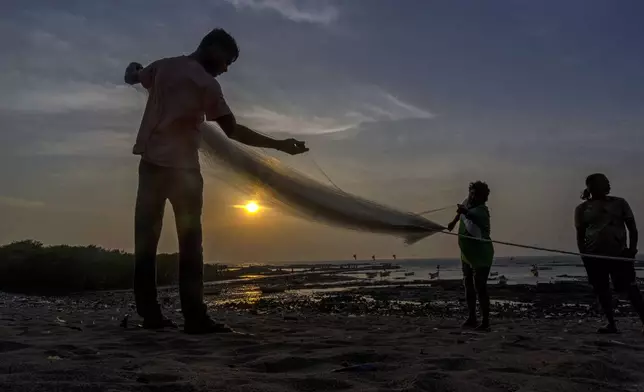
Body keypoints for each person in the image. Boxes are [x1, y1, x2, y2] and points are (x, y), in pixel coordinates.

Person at [124, 28, 309, 334]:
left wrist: (133, 69)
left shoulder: (163, 66)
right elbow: (233, 131)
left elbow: (135, 75)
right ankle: (195, 319)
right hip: (183, 175)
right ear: (212, 48)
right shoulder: (206, 83)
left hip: (150, 168)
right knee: (190, 247)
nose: (225, 69)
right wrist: (280, 144)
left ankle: (150, 315)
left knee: (146, 244)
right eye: (227, 61)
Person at [574, 173, 644, 334]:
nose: (608, 185)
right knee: (602, 290)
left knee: (630, 288)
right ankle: (611, 324)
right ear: (592, 187)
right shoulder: (582, 209)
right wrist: (584, 255)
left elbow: (632, 228)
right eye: (604, 182)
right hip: (594, 256)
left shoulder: (619, 203)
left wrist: (632, 250)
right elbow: (580, 235)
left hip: (619, 254)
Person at [447, 181, 494, 331]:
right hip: (466, 254)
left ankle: (485, 322)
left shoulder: (482, 211)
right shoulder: (466, 202)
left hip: (481, 255)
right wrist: (453, 222)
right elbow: (461, 212)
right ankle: (472, 317)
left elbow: (468, 214)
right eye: (471, 193)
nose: (472, 196)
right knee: (468, 285)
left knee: (480, 287)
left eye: (476, 194)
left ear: (483, 197)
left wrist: (463, 211)